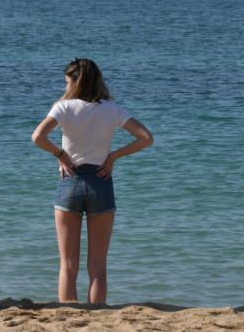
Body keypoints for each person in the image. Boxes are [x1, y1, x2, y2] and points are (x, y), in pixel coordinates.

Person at [31, 58, 153, 304]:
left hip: (70, 181)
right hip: (101, 181)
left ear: (76, 83)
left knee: (68, 266)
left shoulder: (64, 107)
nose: (65, 88)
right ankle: (98, 316)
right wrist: (114, 156)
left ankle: (68, 319)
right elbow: (146, 138)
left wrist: (61, 154)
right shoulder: (112, 109)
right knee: (98, 268)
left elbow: (38, 137)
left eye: (67, 83)